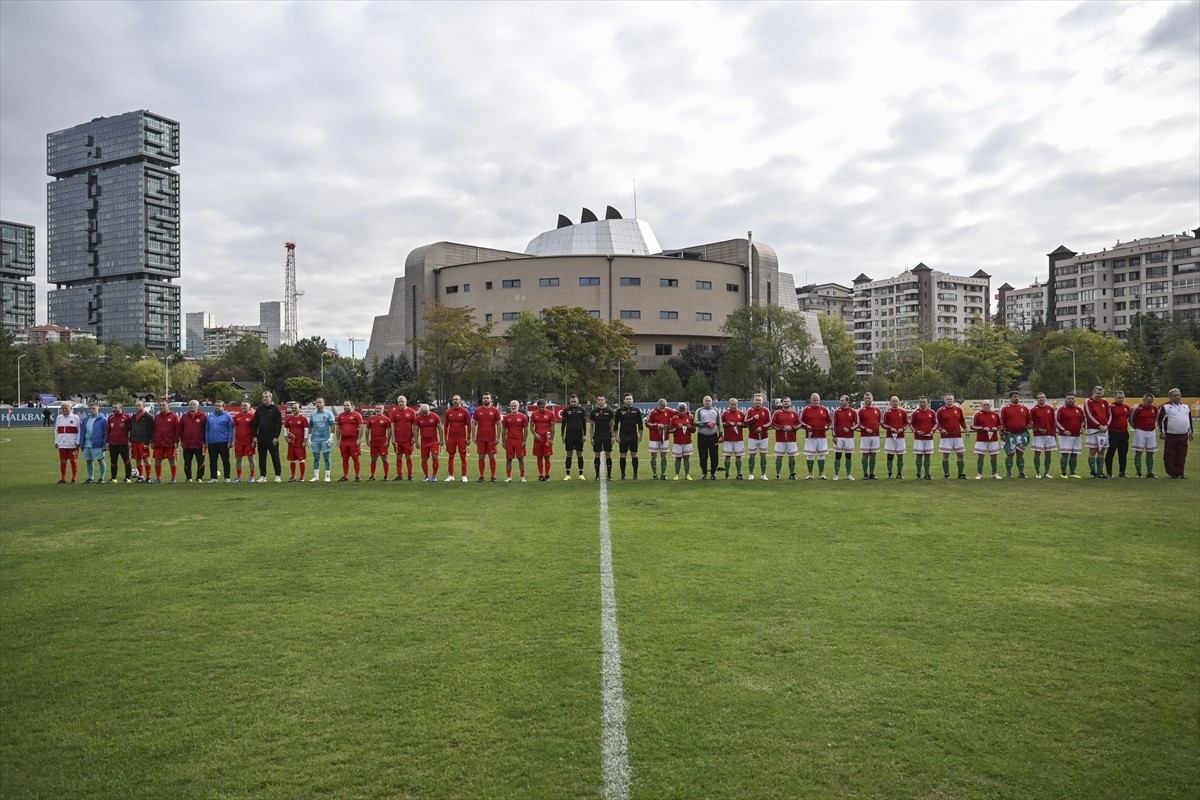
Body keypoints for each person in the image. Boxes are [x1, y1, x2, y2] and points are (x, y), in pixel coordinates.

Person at [1157, 388, 1194, 479]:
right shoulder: (1165, 407)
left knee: (1182, 454)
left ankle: (1180, 472)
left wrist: (1191, 432)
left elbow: (1189, 420)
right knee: (1170, 454)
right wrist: (1162, 432)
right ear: (1170, 397)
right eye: (1174, 395)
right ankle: (1171, 472)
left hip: (1183, 434)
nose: (1177, 397)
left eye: (1178, 395)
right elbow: (1160, 420)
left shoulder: (1185, 406)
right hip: (1171, 434)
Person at [252, 391, 283, 483]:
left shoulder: (275, 409)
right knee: (262, 457)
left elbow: (279, 424)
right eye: (263, 397)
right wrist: (255, 436)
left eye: (266, 397)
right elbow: (255, 424)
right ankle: (263, 476)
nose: (264, 398)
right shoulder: (259, 409)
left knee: (275, 456)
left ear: (270, 398)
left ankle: (277, 475)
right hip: (261, 437)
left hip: (272, 437)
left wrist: (276, 437)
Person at [1000, 391, 1032, 479]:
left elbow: (1029, 420)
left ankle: (1021, 472)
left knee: (1020, 453)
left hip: (1022, 435)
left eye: (1018, 396)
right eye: (1014, 396)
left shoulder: (1024, 408)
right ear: (1010, 398)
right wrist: (1002, 434)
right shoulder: (1005, 409)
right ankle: (1009, 473)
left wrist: (1029, 424)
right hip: (1009, 435)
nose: (1016, 398)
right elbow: (1002, 422)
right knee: (1010, 454)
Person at [799, 393, 831, 480]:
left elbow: (829, 421)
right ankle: (810, 474)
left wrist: (827, 426)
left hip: (822, 436)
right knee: (810, 455)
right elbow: (800, 421)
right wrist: (806, 426)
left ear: (819, 400)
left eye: (817, 400)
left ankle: (821, 474)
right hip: (810, 436)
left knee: (821, 455)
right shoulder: (806, 409)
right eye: (814, 400)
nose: (816, 401)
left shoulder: (824, 409)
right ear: (811, 400)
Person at [936, 394, 968, 479]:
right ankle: (946, 474)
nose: (949, 400)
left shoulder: (958, 409)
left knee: (960, 454)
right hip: (946, 437)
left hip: (957, 436)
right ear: (944, 400)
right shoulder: (940, 410)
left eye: (951, 399)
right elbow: (937, 423)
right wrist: (941, 429)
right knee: (946, 455)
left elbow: (962, 421)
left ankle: (960, 474)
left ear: (953, 400)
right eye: (947, 399)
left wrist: (966, 428)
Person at [472, 393, 502, 482]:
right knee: (481, 456)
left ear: (490, 400)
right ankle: (481, 476)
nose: (485, 399)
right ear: (482, 399)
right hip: (480, 438)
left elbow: (499, 424)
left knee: (492, 456)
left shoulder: (495, 410)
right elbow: (473, 423)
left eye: (487, 398)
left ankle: (493, 476)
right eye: (484, 398)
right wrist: (473, 436)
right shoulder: (477, 410)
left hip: (491, 438)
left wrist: (498, 437)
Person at [387, 395, 418, 481]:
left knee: (408, 457)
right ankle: (399, 475)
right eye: (399, 402)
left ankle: (410, 475)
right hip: (398, 439)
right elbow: (392, 426)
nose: (401, 403)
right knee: (398, 457)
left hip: (408, 439)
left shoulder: (411, 412)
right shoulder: (394, 412)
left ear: (406, 402)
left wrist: (414, 437)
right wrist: (393, 438)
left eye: (402, 401)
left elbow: (415, 426)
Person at [442, 395, 472, 483]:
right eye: (454, 399)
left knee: (463, 457)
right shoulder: (448, 412)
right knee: (451, 456)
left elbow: (469, 425)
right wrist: (445, 438)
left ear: (460, 401)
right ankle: (451, 475)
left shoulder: (465, 412)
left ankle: (464, 476)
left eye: (457, 399)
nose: (455, 401)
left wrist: (468, 437)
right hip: (451, 438)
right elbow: (446, 426)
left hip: (461, 438)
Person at [1055, 393, 1085, 479]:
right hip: (1065, 436)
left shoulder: (1079, 409)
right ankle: (1063, 473)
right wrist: (1064, 430)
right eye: (1068, 398)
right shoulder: (1061, 409)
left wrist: (1082, 428)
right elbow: (1056, 421)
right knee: (1065, 454)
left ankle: (1072, 472)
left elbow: (1083, 421)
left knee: (1074, 454)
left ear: (1075, 399)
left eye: (1072, 398)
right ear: (1065, 399)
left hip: (1077, 435)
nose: (1070, 400)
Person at [151, 398, 181, 484]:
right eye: (160, 405)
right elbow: (154, 430)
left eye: (163, 405)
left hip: (170, 442)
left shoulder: (174, 416)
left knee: (172, 460)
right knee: (157, 460)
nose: (161, 407)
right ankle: (158, 478)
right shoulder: (157, 417)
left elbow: (177, 430)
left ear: (168, 406)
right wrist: (152, 441)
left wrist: (176, 441)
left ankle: (173, 478)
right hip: (158, 442)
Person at [1084, 385, 1112, 479]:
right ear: (1093, 392)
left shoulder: (1105, 402)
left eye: (1101, 393)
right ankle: (1093, 472)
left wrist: (1106, 425)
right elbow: (1089, 415)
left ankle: (1100, 472)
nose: (1099, 395)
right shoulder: (1088, 401)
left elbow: (1109, 415)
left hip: (1104, 430)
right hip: (1094, 429)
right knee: (1093, 450)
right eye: (1098, 393)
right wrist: (1099, 425)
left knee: (1102, 450)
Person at [971, 399, 1003, 480]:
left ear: (990, 406)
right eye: (984, 405)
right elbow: (972, 426)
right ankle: (979, 474)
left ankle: (994, 473)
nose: (986, 406)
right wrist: (982, 428)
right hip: (981, 439)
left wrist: (997, 427)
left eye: (987, 405)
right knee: (981, 456)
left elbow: (1001, 425)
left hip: (993, 439)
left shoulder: (995, 414)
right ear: (981, 406)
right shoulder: (977, 414)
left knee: (994, 456)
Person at [615, 394, 644, 479]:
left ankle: (635, 475)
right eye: (627, 399)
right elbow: (616, 424)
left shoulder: (636, 411)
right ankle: (623, 475)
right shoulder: (619, 411)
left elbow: (640, 425)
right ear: (624, 400)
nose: (628, 400)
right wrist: (616, 436)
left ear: (632, 400)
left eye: (630, 399)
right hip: (623, 436)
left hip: (633, 436)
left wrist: (640, 436)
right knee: (623, 455)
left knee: (634, 454)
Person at [1029, 392, 1058, 479]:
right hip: (1038, 435)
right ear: (1037, 399)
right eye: (1039, 397)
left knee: (1048, 453)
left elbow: (1053, 422)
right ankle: (1038, 472)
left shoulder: (1050, 409)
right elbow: (1030, 422)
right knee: (1037, 453)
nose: (1041, 398)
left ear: (1045, 398)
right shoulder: (1034, 410)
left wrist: (1054, 434)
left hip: (1050, 434)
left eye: (1043, 397)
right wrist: (1038, 429)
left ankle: (1046, 472)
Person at [204, 400, 234, 482]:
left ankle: (227, 477)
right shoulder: (210, 417)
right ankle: (213, 477)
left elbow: (231, 429)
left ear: (223, 407)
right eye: (216, 405)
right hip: (212, 442)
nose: (217, 407)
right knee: (212, 461)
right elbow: (207, 429)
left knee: (225, 460)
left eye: (219, 406)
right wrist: (206, 441)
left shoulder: (227, 416)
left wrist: (229, 441)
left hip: (223, 442)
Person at [1130, 393, 1160, 478]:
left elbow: (1155, 418)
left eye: (1151, 402)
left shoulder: (1154, 408)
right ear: (1143, 400)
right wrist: (1137, 428)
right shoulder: (1137, 408)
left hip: (1151, 431)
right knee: (1139, 451)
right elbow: (1131, 420)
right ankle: (1138, 472)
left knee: (1150, 452)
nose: (1150, 404)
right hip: (1140, 431)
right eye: (1148, 402)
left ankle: (1149, 472)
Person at [645, 398, 675, 480]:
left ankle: (663, 474)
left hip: (665, 437)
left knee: (664, 455)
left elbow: (677, 413)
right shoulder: (652, 412)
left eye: (664, 407)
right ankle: (654, 474)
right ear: (657, 405)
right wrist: (657, 425)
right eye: (661, 407)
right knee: (653, 455)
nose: (662, 409)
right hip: (654, 438)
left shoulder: (668, 410)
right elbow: (647, 423)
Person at [744, 393, 772, 480]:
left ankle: (763, 474)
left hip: (764, 437)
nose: (758, 402)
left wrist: (762, 427)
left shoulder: (766, 410)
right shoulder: (750, 410)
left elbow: (770, 422)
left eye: (759, 400)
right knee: (752, 455)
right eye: (756, 400)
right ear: (753, 401)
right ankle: (751, 474)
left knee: (763, 455)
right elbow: (745, 422)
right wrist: (753, 418)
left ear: (762, 401)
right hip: (752, 437)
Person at [178, 399, 207, 483]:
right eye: (190, 404)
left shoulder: (203, 416)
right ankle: (188, 477)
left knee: (200, 461)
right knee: (187, 462)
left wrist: (205, 441)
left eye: (193, 404)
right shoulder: (184, 416)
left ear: (198, 406)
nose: (191, 406)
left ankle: (199, 478)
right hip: (187, 444)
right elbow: (181, 429)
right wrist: (181, 440)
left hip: (199, 444)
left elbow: (206, 429)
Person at [308, 397, 337, 482]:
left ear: (324, 403)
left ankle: (327, 476)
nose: (318, 404)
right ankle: (316, 476)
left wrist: (331, 437)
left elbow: (332, 425)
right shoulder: (312, 414)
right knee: (316, 457)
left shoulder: (328, 414)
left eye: (320, 402)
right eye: (316, 402)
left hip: (325, 439)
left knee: (326, 457)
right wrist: (309, 437)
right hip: (315, 439)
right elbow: (310, 426)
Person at [80, 402, 109, 484]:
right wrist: (81, 443)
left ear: (98, 408)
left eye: (93, 408)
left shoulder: (103, 419)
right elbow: (82, 432)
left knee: (101, 460)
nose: (91, 410)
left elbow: (105, 433)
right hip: (87, 443)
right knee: (89, 460)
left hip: (97, 443)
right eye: (90, 409)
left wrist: (104, 444)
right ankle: (91, 478)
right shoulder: (86, 419)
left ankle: (102, 478)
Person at [53, 400, 82, 483]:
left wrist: (78, 441)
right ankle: (63, 478)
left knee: (73, 460)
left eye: (66, 408)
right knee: (63, 461)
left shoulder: (76, 417)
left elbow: (79, 430)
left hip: (72, 444)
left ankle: (74, 478)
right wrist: (56, 441)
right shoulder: (59, 417)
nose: (64, 410)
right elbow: (56, 430)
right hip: (62, 444)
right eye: (62, 408)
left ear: (71, 408)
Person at [560, 394, 588, 480]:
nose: (573, 403)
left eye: (575, 401)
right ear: (570, 401)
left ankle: (581, 474)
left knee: (579, 453)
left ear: (578, 401)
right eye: (571, 401)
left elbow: (584, 424)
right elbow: (563, 423)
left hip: (579, 435)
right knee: (569, 453)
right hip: (569, 435)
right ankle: (568, 474)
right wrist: (562, 434)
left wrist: (585, 435)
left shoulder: (582, 410)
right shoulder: (566, 410)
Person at [336, 400, 365, 481]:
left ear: (352, 406)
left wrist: (359, 439)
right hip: (344, 441)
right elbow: (338, 428)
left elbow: (361, 427)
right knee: (345, 459)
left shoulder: (357, 415)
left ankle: (357, 476)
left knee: (355, 458)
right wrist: (338, 439)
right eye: (344, 405)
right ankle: (345, 476)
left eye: (347, 405)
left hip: (353, 440)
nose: (346, 407)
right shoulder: (340, 416)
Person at [832, 395, 858, 481]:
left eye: (842, 401)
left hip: (849, 437)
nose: (841, 402)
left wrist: (850, 429)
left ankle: (849, 474)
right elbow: (833, 424)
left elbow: (857, 424)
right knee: (838, 456)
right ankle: (836, 475)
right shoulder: (836, 411)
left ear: (847, 401)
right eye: (840, 400)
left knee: (848, 456)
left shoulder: (853, 411)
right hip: (839, 437)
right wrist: (834, 435)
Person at [1105, 390, 1131, 478]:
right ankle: (1109, 472)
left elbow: (1128, 418)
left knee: (1123, 453)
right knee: (1111, 452)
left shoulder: (1126, 407)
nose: (1121, 399)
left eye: (1122, 397)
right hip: (1113, 433)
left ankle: (1122, 472)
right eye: (1119, 398)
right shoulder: (1110, 407)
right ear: (1114, 397)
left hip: (1124, 433)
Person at [910, 396, 936, 480]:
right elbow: (911, 424)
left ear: (927, 403)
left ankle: (927, 474)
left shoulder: (932, 412)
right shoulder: (915, 412)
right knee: (919, 456)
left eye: (924, 402)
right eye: (920, 402)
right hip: (918, 438)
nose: (922, 404)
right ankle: (918, 474)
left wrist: (932, 431)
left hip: (929, 438)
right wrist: (916, 431)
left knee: (927, 456)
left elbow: (936, 423)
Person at [502, 400, 529, 482]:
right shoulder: (506, 417)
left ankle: (522, 477)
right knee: (508, 459)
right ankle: (509, 476)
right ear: (510, 406)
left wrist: (524, 441)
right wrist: (503, 441)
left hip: (519, 440)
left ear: (518, 407)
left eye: (515, 406)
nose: (513, 407)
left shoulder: (523, 417)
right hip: (509, 440)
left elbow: (526, 429)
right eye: (512, 406)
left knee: (521, 459)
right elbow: (504, 429)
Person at [285, 401, 312, 481]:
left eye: (295, 408)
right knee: (292, 460)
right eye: (292, 408)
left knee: (301, 459)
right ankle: (293, 476)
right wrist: (286, 438)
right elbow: (285, 429)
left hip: (300, 443)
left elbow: (306, 430)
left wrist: (305, 441)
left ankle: (302, 477)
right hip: (291, 443)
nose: (293, 409)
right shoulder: (289, 418)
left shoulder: (303, 419)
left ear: (300, 409)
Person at [529, 399, 556, 481]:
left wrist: (551, 439)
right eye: (540, 407)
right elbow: (531, 426)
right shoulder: (534, 414)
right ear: (537, 406)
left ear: (546, 405)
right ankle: (540, 475)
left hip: (546, 439)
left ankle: (547, 475)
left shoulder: (551, 413)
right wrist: (535, 434)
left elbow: (553, 427)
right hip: (538, 440)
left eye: (543, 407)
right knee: (539, 457)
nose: (541, 408)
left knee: (547, 457)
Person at [590, 396, 616, 480]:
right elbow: (591, 426)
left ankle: (609, 475)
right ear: (597, 401)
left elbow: (612, 425)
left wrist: (613, 436)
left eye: (602, 400)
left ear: (605, 401)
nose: (600, 401)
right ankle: (597, 475)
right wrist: (591, 438)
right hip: (597, 436)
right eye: (599, 400)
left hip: (607, 436)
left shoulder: (609, 412)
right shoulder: (594, 412)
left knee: (608, 454)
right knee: (597, 454)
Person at [415, 403, 443, 481]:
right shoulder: (418, 418)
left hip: (434, 441)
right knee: (424, 459)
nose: (424, 414)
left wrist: (441, 439)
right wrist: (416, 441)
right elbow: (416, 430)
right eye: (423, 412)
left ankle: (434, 476)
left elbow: (440, 428)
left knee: (435, 456)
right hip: (424, 442)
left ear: (429, 410)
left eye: (426, 412)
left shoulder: (435, 417)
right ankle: (426, 476)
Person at [695, 395, 721, 480]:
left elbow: (719, 423)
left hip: (713, 436)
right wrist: (706, 424)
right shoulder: (699, 410)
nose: (708, 402)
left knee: (714, 456)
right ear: (703, 402)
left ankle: (713, 473)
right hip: (702, 436)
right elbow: (695, 422)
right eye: (706, 400)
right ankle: (704, 473)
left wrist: (720, 434)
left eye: (709, 400)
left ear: (712, 401)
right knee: (703, 456)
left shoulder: (716, 410)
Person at [882, 396, 908, 479]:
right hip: (890, 437)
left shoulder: (903, 412)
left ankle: (899, 473)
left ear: (898, 402)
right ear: (890, 402)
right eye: (893, 401)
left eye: (896, 401)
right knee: (890, 455)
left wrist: (902, 429)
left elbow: (907, 423)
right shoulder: (887, 412)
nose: (895, 402)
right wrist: (890, 428)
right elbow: (883, 424)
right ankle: (890, 474)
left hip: (900, 437)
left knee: (900, 455)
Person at [107, 401, 133, 483]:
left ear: (121, 408)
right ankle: (114, 478)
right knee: (113, 461)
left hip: (123, 443)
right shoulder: (110, 417)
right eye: (113, 408)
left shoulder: (127, 417)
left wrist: (130, 441)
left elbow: (131, 430)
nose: (114, 409)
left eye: (115, 408)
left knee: (126, 461)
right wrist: (107, 442)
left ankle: (128, 478)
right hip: (112, 443)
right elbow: (108, 431)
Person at [858, 393, 882, 480]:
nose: (867, 399)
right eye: (865, 398)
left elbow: (879, 422)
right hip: (865, 436)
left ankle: (872, 473)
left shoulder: (877, 410)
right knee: (865, 454)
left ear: (872, 399)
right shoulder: (861, 411)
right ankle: (865, 474)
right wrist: (865, 429)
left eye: (868, 398)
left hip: (875, 436)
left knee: (873, 454)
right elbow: (858, 423)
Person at [232, 400, 257, 483]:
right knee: (238, 459)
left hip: (249, 441)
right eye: (242, 405)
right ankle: (239, 477)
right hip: (239, 441)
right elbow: (235, 429)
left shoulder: (252, 416)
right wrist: (233, 440)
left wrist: (254, 439)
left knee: (251, 459)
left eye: (245, 405)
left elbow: (255, 429)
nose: (243, 407)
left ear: (249, 407)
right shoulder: (237, 416)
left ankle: (252, 477)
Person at [364, 405, 392, 481]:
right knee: (373, 459)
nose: (378, 409)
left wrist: (388, 441)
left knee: (384, 459)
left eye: (380, 408)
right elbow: (367, 429)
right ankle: (372, 475)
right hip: (373, 442)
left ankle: (386, 476)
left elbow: (389, 431)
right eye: (377, 408)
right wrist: (367, 439)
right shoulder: (371, 418)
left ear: (383, 410)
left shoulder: (386, 419)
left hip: (382, 442)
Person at [129, 399, 154, 482]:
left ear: (143, 406)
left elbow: (150, 431)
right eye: (136, 405)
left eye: (139, 405)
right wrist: (130, 441)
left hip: (143, 442)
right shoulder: (133, 417)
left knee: (146, 459)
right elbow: (131, 429)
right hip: (135, 441)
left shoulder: (148, 417)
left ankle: (149, 477)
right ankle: (141, 476)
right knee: (138, 459)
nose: (137, 407)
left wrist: (147, 442)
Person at [721, 397, 746, 480]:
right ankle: (727, 473)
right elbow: (721, 424)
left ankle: (739, 474)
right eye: (732, 404)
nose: (733, 406)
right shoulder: (725, 413)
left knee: (739, 456)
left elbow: (746, 424)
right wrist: (728, 423)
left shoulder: (742, 414)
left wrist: (741, 424)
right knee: (727, 456)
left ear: (737, 405)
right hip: (728, 439)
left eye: (735, 404)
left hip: (738, 439)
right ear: (729, 405)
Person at [670, 402, 694, 480]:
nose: (682, 412)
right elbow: (669, 430)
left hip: (687, 442)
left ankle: (687, 474)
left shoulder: (689, 417)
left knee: (686, 458)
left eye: (684, 410)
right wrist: (677, 427)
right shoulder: (674, 418)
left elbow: (694, 430)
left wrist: (690, 427)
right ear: (678, 410)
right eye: (681, 410)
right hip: (677, 442)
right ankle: (677, 474)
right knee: (678, 459)